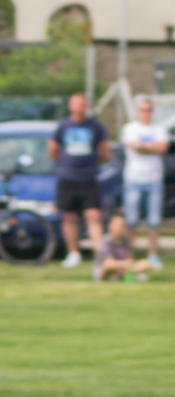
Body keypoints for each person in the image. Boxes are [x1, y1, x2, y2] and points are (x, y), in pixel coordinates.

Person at [47, 93, 110, 268]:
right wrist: (65, 162)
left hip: (89, 178)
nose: (79, 108)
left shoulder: (96, 126)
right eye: (76, 104)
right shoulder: (63, 126)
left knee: (93, 215)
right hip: (67, 178)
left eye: (82, 104)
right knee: (69, 216)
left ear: (87, 106)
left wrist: (91, 163)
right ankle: (73, 253)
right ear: (70, 106)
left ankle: (99, 254)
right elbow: (52, 149)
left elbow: (104, 152)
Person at [120, 97, 167, 268]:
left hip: (154, 179)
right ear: (138, 111)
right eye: (143, 110)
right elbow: (135, 147)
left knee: (154, 221)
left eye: (149, 110)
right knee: (131, 220)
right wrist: (151, 147)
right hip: (134, 178)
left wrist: (144, 146)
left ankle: (153, 255)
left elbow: (162, 148)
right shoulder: (130, 128)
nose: (146, 113)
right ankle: (129, 255)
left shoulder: (159, 128)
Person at [96, 212, 153, 281]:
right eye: (117, 225)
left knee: (146, 263)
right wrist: (124, 264)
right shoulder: (106, 241)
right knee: (108, 265)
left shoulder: (125, 240)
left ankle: (122, 276)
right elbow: (108, 262)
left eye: (122, 225)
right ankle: (126, 276)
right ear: (110, 226)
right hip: (105, 269)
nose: (119, 228)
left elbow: (129, 259)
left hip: (121, 267)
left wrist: (128, 264)